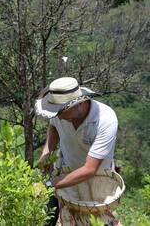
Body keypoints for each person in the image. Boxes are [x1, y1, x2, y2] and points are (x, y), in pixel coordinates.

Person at [36, 77, 119, 225]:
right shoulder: (60, 114)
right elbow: (53, 127)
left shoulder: (105, 119)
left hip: (97, 181)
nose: (58, 116)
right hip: (64, 173)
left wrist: (49, 184)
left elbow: (90, 169)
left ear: (78, 104)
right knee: (51, 218)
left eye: (61, 112)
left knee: (95, 220)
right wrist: (47, 151)